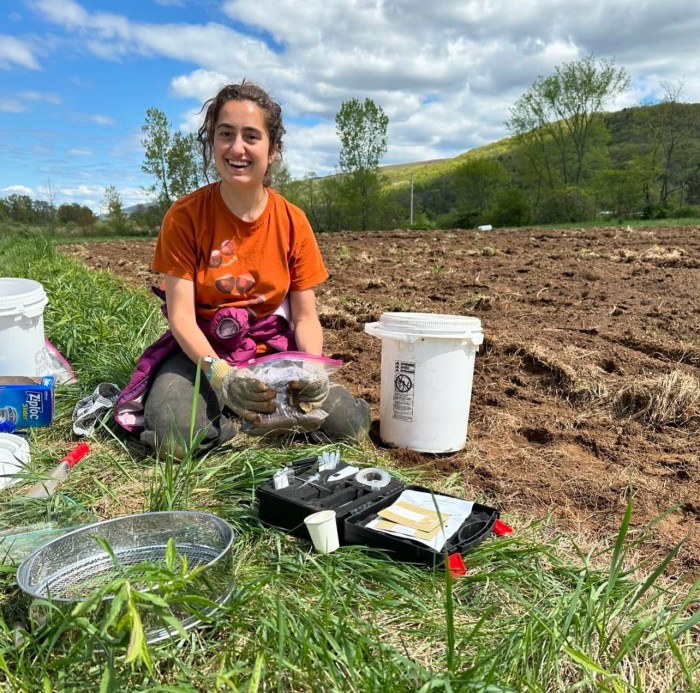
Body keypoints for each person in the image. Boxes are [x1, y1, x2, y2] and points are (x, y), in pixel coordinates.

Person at [115, 80, 370, 457]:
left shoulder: (292, 221)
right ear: (212, 143)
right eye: (225, 134)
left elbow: (305, 316)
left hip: (272, 353)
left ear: (273, 149)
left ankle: (245, 419)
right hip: (204, 354)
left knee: (347, 424)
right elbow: (182, 317)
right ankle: (236, 418)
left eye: (252, 136)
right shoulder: (185, 217)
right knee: (174, 432)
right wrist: (221, 376)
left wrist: (312, 369)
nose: (237, 148)